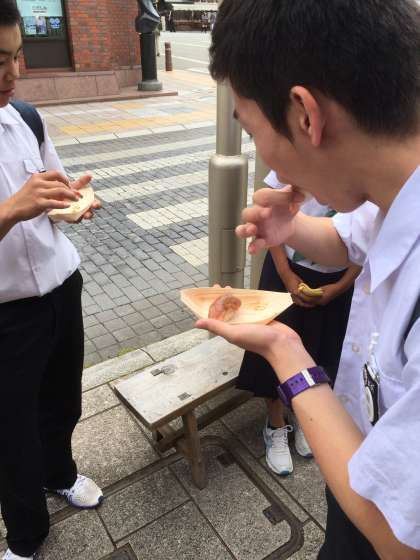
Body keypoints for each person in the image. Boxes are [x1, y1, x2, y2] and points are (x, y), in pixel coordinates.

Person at [198, 1, 420, 558]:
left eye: (252, 130)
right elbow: (351, 237)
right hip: (361, 464)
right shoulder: (396, 188)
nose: (261, 154)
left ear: (304, 115)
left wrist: (286, 351)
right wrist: (290, 227)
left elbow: (399, 537)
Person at [0, 3, 102, 559]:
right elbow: (19, 207)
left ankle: (59, 473)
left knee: (63, 400)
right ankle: (25, 536)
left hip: (62, 287)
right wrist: (10, 210)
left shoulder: (24, 118)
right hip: (7, 313)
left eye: (17, 55)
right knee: (10, 431)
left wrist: (71, 201)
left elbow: (51, 194)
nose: (13, 74)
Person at [238, 170, 361, 476]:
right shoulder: (296, 157)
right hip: (287, 270)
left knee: (319, 352)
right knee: (272, 352)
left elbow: (367, 240)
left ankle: (304, 415)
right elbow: (272, 219)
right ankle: (275, 424)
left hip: (337, 279)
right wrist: (287, 275)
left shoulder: (365, 170)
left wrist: (340, 287)